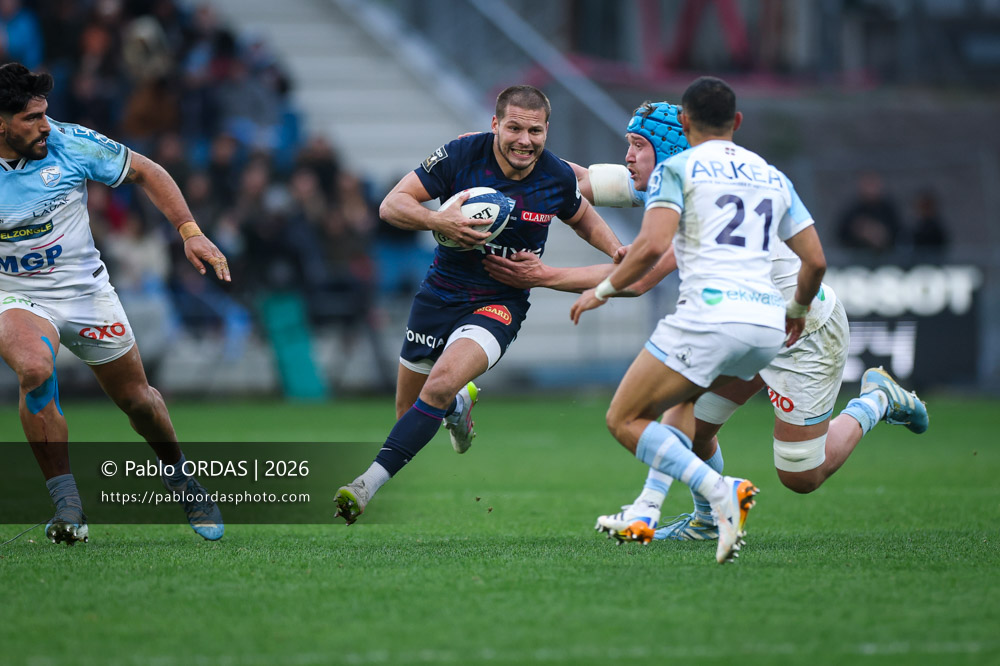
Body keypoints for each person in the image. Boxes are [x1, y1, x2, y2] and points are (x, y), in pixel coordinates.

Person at [485, 99, 930, 549]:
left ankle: (874, 401)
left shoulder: (691, 188)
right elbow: (574, 179)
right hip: (746, 321)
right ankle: (706, 517)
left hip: (802, 330)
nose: (628, 156)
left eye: (638, 145)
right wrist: (497, 151)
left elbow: (640, 277)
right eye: (629, 144)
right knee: (690, 426)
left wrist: (544, 276)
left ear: (668, 146)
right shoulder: (675, 171)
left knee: (801, 474)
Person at [564, 77, 829, 564]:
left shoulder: (678, 168)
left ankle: (721, 492)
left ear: (682, 122)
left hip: (712, 317)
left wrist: (601, 291)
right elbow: (815, 262)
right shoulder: (771, 175)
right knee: (681, 407)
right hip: (770, 324)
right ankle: (647, 508)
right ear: (738, 122)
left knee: (625, 418)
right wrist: (795, 310)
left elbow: (650, 247)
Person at [333, 85, 623, 524]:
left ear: (547, 131)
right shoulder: (461, 155)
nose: (524, 140)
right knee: (410, 411)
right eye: (514, 128)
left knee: (439, 382)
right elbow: (392, 205)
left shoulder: (556, 176)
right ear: (495, 125)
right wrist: (437, 218)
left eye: (535, 130)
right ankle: (456, 407)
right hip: (440, 293)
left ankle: (365, 484)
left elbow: (582, 217)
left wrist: (619, 253)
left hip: (500, 303)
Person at [0, 63, 232, 545]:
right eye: (30, 118)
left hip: (86, 292)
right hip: (16, 294)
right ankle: (68, 507)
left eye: (45, 114)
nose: (45, 126)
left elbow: (148, 171)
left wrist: (190, 232)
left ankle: (180, 478)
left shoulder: (69, 143)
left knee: (137, 401)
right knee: (33, 369)